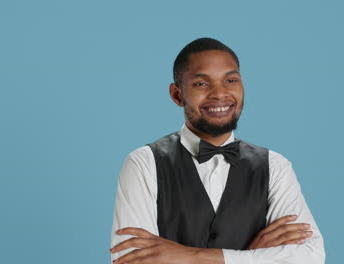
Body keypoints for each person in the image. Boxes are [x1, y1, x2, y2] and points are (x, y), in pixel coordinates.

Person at [110, 38, 325, 264]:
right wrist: (252, 256)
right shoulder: (144, 164)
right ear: (177, 95)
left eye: (230, 80)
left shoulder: (276, 166)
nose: (220, 93)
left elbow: (310, 257)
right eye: (202, 84)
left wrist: (191, 257)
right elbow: (131, 260)